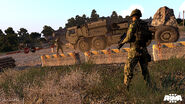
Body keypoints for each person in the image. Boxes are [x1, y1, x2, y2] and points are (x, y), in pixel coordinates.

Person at [119, 9, 152, 90]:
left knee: (128, 69)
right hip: (144, 50)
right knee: (145, 70)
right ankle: (150, 87)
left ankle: (126, 87)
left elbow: (129, 37)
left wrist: (122, 42)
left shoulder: (133, 25)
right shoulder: (144, 24)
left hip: (135, 50)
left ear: (133, 16)